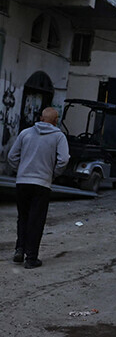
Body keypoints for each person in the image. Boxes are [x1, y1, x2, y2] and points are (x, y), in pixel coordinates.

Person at [9, 107, 69, 269]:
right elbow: (63, 160)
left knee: (23, 217)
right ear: (56, 121)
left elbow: (12, 156)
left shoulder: (25, 133)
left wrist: (21, 170)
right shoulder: (58, 136)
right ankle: (31, 258)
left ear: (41, 118)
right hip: (42, 184)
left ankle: (19, 249)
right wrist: (53, 174)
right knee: (36, 220)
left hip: (22, 182)